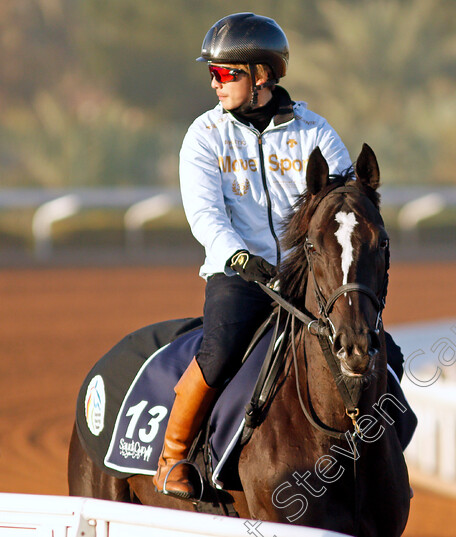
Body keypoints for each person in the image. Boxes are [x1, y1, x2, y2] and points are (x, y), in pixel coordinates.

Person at [153, 12, 356, 499]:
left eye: (225, 73)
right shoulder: (204, 136)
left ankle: (387, 439)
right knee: (220, 350)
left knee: (373, 346)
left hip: (307, 277)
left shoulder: (316, 132)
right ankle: (173, 457)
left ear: (260, 75)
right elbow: (205, 215)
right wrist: (238, 257)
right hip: (239, 277)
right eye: (213, 73)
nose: (215, 83)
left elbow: (345, 204)